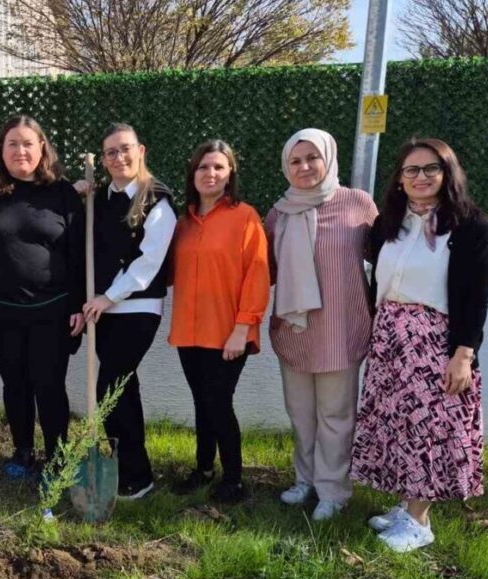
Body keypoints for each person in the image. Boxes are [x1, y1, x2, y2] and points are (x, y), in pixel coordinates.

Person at [351, 138, 488, 552]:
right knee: (398, 425)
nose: (420, 177)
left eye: (430, 168)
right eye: (410, 170)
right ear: (399, 178)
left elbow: (476, 297)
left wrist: (463, 354)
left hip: (433, 342)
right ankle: (406, 506)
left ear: (447, 173)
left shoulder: (470, 227)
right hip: (390, 339)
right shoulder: (387, 224)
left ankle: (419, 521)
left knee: (429, 428)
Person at [265, 129, 378, 521]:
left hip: (340, 328)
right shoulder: (278, 213)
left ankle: (333, 490)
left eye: (312, 157)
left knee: (336, 414)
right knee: (301, 412)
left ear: (328, 158)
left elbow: (385, 256)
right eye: (295, 161)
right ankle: (305, 479)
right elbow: (264, 270)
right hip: (294, 329)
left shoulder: (357, 204)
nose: (305, 167)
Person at [0, 115, 85, 477]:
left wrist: (78, 305)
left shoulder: (63, 194)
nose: (20, 150)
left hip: (52, 309)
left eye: (27, 143)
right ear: (0, 151)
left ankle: (57, 455)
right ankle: (22, 451)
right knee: (15, 383)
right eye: (12, 144)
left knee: (49, 384)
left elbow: (79, 254)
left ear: (42, 149)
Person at [78, 123, 176, 500]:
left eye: (125, 149)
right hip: (104, 308)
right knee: (123, 388)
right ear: (103, 160)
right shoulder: (100, 197)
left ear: (141, 150)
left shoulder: (158, 200)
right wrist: (78, 194)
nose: (119, 158)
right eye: (111, 153)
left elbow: (148, 263)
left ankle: (136, 472)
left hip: (136, 307)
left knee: (111, 387)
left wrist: (108, 297)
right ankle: (129, 468)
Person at [168, 140, 269, 502]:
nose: (210, 174)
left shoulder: (245, 217)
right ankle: (203, 469)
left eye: (218, 167)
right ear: (192, 175)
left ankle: (234, 479)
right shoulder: (183, 222)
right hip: (188, 330)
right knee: (201, 401)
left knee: (218, 402)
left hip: (228, 332)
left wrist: (243, 328)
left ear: (230, 175)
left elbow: (257, 275)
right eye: (203, 167)